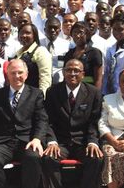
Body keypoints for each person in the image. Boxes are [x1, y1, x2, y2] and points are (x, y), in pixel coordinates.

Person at [0, 59, 48, 188]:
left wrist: (37, 139)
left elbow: (42, 120)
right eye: (13, 73)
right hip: (4, 141)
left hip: (27, 140)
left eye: (20, 73)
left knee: (33, 158)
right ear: (7, 74)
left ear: (26, 75)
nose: (17, 76)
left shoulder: (36, 94)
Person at [43, 59, 104, 188]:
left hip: (82, 142)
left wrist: (92, 142)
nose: (72, 74)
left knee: (96, 159)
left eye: (76, 71)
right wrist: (52, 141)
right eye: (69, 70)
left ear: (83, 74)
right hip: (60, 142)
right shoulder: (52, 92)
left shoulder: (94, 93)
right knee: (49, 158)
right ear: (64, 73)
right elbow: (48, 121)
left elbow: (94, 122)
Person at [63, 22, 103, 88]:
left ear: (87, 34)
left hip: (89, 91)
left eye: (81, 33)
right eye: (75, 32)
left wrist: (96, 96)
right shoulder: (69, 54)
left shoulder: (94, 53)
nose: (77, 35)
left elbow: (98, 79)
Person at [16, 23, 52, 94]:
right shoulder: (18, 53)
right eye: (21, 33)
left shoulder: (41, 51)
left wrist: (41, 98)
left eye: (28, 33)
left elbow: (45, 78)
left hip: (34, 97)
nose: (24, 35)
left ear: (34, 35)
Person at [41, 17, 71, 83]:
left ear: (60, 30)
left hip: (59, 83)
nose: (52, 30)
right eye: (50, 27)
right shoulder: (38, 44)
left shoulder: (67, 45)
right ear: (45, 30)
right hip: (42, 81)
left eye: (55, 28)